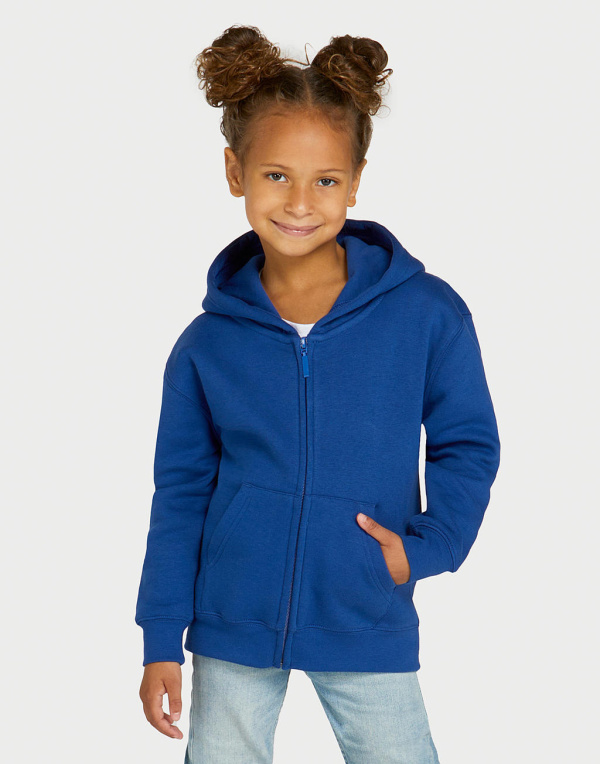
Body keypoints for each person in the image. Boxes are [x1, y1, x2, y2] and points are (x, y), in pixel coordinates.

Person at [135, 24, 501, 764]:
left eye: (326, 180)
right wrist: (160, 637)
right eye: (276, 175)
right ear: (235, 171)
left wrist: (426, 549)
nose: (300, 202)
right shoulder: (208, 344)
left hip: (364, 608)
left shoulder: (425, 313)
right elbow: (180, 492)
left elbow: (467, 443)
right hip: (232, 616)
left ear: (356, 180)